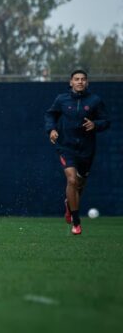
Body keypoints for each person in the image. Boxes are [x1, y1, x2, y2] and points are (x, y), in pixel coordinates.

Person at [44, 69, 109, 235]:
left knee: (79, 185)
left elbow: (106, 121)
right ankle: (76, 221)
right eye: (76, 79)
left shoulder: (95, 100)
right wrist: (51, 129)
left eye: (83, 79)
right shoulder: (62, 99)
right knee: (72, 180)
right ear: (71, 82)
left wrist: (96, 124)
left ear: (87, 83)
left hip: (86, 149)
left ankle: (69, 204)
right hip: (66, 146)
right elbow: (50, 115)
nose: (80, 82)